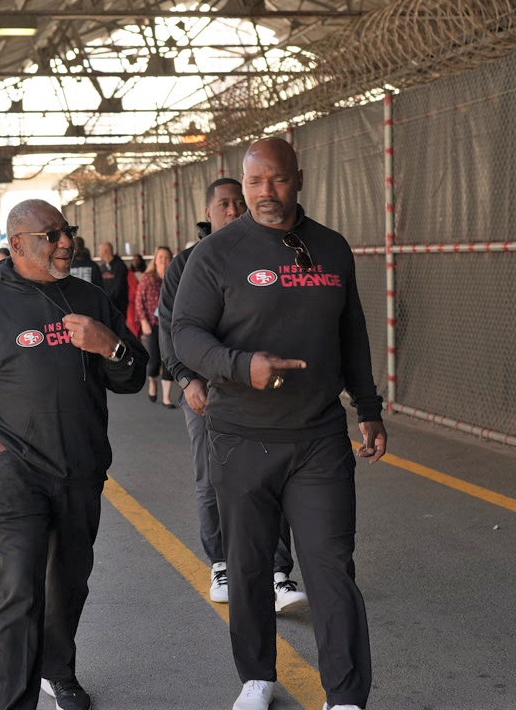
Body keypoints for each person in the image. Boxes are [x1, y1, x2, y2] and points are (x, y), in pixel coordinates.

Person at [172, 139, 387, 710]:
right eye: (255, 183)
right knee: (247, 566)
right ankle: (257, 677)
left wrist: (368, 407)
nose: (266, 193)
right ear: (243, 187)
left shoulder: (332, 249)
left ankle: (344, 696)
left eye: (278, 180)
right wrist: (242, 366)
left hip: (318, 439)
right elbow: (186, 333)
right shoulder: (216, 254)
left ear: (299, 178)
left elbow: (352, 335)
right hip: (241, 437)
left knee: (331, 568)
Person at [0, 199, 146, 710]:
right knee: (19, 593)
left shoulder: (89, 299)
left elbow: (133, 376)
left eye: (66, 232)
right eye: (51, 235)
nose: (65, 242)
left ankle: (58, 669)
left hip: (81, 468)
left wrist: (108, 344)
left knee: (69, 585)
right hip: (15, 473)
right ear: (18, 243)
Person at [159, 178, 308, 611]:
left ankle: (278, 572)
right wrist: (187, 380)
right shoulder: (187, 263)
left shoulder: (270, 254)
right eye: (223, 203)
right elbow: (174, 330)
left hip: (261, 392)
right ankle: (222, 562)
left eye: (237, 202)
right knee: (213, 478)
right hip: (208, 391)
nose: (231, 209)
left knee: (272, 478)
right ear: (208, 212)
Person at [134, 246, 175, 407]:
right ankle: (152, 381)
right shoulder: (147, 278)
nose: (164, 261)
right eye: (161, 258)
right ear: (155, 260)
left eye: (167, 258)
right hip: (152, 324)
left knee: (170, 359)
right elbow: (139, 301)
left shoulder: (174, 278)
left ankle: (167, 397)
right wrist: (143, 322)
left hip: (170, 325)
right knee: (154, 361)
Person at [96, 242, 129, 316]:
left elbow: (118, 287)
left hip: (118, 307)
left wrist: (107, 301)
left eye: (99, 250)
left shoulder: (120, 267)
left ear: (105, 251)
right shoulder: (102, 268)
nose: (99, 253)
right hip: (106, 306)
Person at [125, 254, 144, 337]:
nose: (135, 262)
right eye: (134, 260)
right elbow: (135, 290)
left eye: (137, 260)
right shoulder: (130, 275)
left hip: (143, 304)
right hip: (133, 304)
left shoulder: (145, 274)